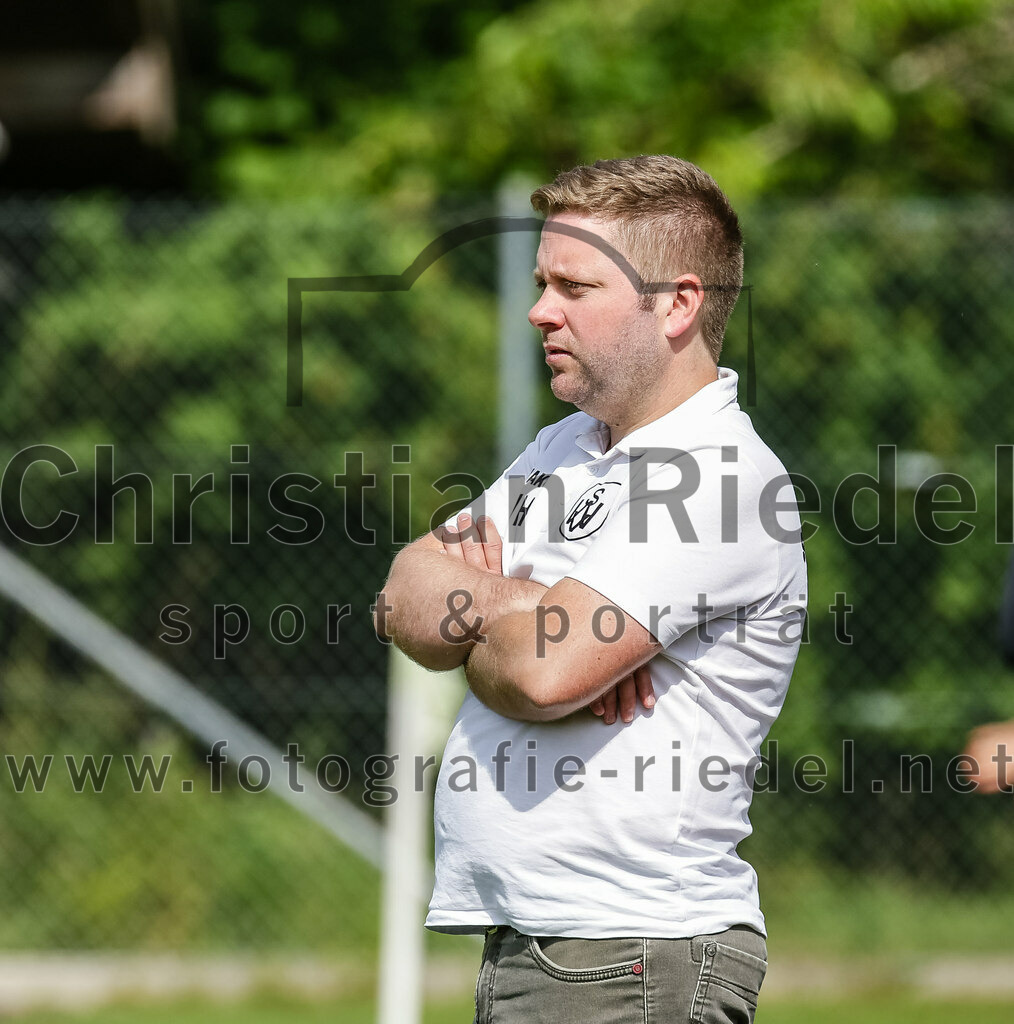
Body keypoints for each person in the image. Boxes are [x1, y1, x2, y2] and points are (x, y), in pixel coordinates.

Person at [376, 155, 807, 1024]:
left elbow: (542, 674)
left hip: (635, 957)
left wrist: (513, 618)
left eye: (572, 286)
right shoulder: (562, 447)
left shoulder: (721, 478)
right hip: (552, 947)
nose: (539, 310)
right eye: (541, 282)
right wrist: (537, 612)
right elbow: (404, 595)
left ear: (678, 303)